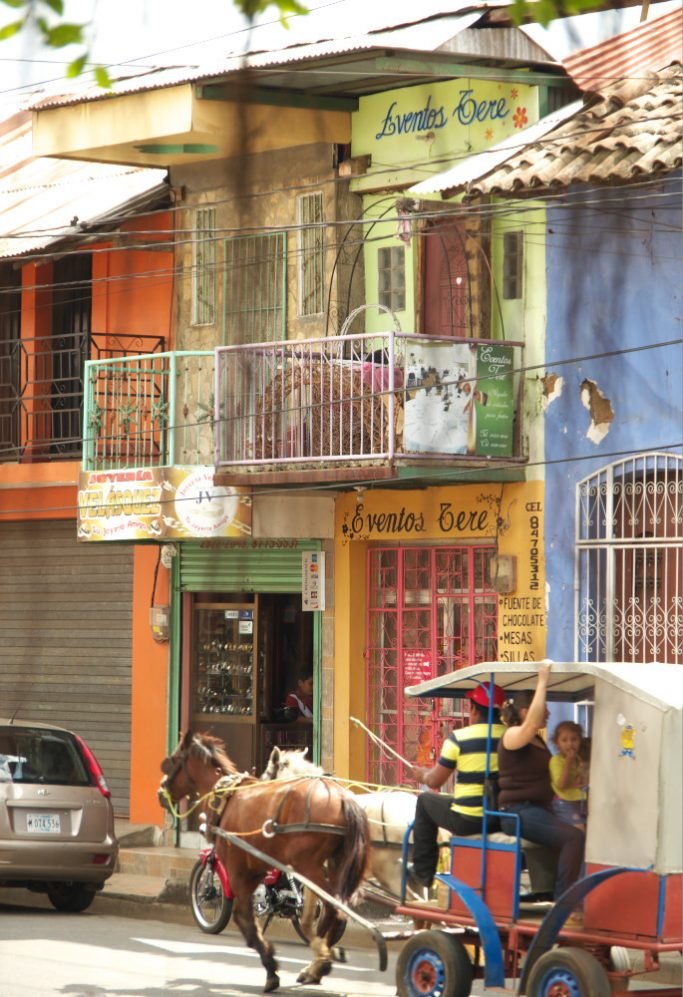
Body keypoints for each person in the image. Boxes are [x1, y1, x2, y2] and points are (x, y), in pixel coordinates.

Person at [497, 663, 585, 914]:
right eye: (544, 708)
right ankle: (563, 902)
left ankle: (553, 890)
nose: (547, 713)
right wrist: (542, 681)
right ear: (525, 712)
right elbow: (532, 723)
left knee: (581, 829)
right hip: (518, 812)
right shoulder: (513, 735)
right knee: (573, 837)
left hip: (540, 809)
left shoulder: (536, 740)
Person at [406, 681, 506, 890]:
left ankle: (423, 872)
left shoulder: (459, 738)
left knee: (424, 801)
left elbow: (435, 781)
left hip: (468, 820)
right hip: (501, 819)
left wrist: (422, 774)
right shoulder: (511, 737)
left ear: (473, 709)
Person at [549, 720, 588, 830]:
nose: (570, 744)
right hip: (564, 803)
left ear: (580, 741)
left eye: (574, 739)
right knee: (579, 828)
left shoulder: (578, 759)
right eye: (564, 740)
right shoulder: (556, 760)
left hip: (579, 801)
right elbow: (561, 785)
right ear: (557, 743)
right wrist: (568, 763)